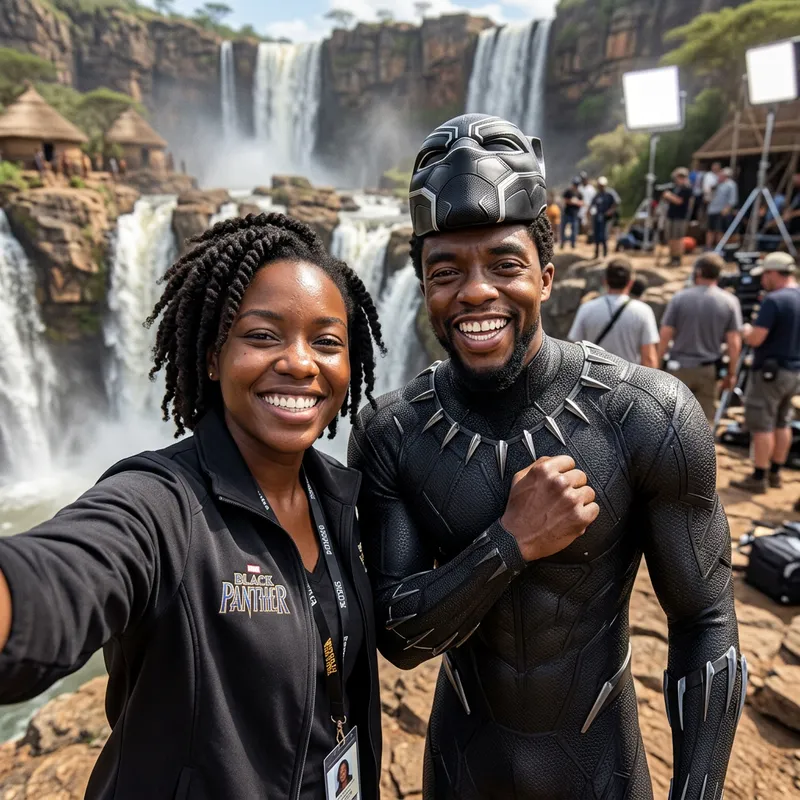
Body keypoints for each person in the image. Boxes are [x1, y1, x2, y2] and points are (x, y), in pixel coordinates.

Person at [351, 113, 745, 800]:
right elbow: (399, 638)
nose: (475, 291)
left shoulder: (649, 415)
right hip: (460, 770)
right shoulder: (391, 431)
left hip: (601, 771)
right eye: (447, 271)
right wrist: (510, 543)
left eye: (505, 263)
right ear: (423, 285)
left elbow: (706, 621)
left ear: (546, 277)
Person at [0, 214, 385, 799]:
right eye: (263, 335)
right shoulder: (163, 504)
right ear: (212, 357)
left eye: (326, 342)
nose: (301, 363)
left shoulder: (341, 498)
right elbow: (63, 575)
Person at [731, 252, 800, 494]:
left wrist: (746, 331)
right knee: (783, 422)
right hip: (793, 371)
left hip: (770, 372)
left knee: (762, 425)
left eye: (764, 276)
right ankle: (776, 473)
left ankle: (758, 476)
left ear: (773, 273)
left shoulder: (774, 300)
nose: (762, 281)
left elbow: (757, 338)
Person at [657, 253, 743, 423]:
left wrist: (658, 364)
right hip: (709, 371)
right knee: (703, 426)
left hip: (678, 369)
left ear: (698, 271)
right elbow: (734, 342)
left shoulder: (680, 298)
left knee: (671, 422)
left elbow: (665, 335)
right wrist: (732, 373)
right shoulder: (730, 302)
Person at [568, 257, 659, 367]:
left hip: (592, 379)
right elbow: (648, 359)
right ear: (630, 282)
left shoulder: (586, 308)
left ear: (605, 281)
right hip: (628, 380)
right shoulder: (643, 311)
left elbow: (575, 351)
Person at [662, 167, 693, 266]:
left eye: (682, 177)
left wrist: (669, 196)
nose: (680, 179)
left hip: (681, 217)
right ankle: (672, 257)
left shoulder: (687, 189)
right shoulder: (674, 188)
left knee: (678, 238)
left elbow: (679, 201)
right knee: (671, 238)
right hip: (671, 215)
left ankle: (677, 258)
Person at [706, 168, 738, 250]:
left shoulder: (731, 185)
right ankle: (708, 247)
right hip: (712, 210)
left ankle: (719, 248)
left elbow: (732, 200)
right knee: (710, 230)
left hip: (722, 211)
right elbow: (708, 196)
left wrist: (727, 209)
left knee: (720, 230)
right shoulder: (716, 184)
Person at [589, 176, 617, 259]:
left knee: (604, 236)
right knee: (597, 236)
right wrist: (590, 215)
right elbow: (591, 206)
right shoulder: (597, 195)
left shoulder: (610, 194)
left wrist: (610, 211)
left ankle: (605, 254)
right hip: (598, 218)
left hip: (606, 219)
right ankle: (597, 253)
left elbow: (616, 203)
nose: (600, 187)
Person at [561, 176, 583, 249]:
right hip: (567, 213)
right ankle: (562, 243)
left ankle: (573, 244)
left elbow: (582, 203)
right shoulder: (568, 192)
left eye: (577, 185)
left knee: (574, 230)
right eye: (575, 184)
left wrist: (576, 202)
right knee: (563, 229)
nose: (575, 186)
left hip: (575, 214)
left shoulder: (579, 193)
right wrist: (571, 201)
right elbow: (564, 200)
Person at [579, 171, 596, 240]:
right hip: (582, 209)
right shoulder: (579, 188)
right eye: (582, 179)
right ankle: (586, 237)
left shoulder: (591, 189)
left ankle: (590, 237)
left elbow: (594, 200)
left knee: (590, 224)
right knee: (583, 224)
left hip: (590, 209)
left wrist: (590, 208)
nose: (583, 180)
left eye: (584, 179)